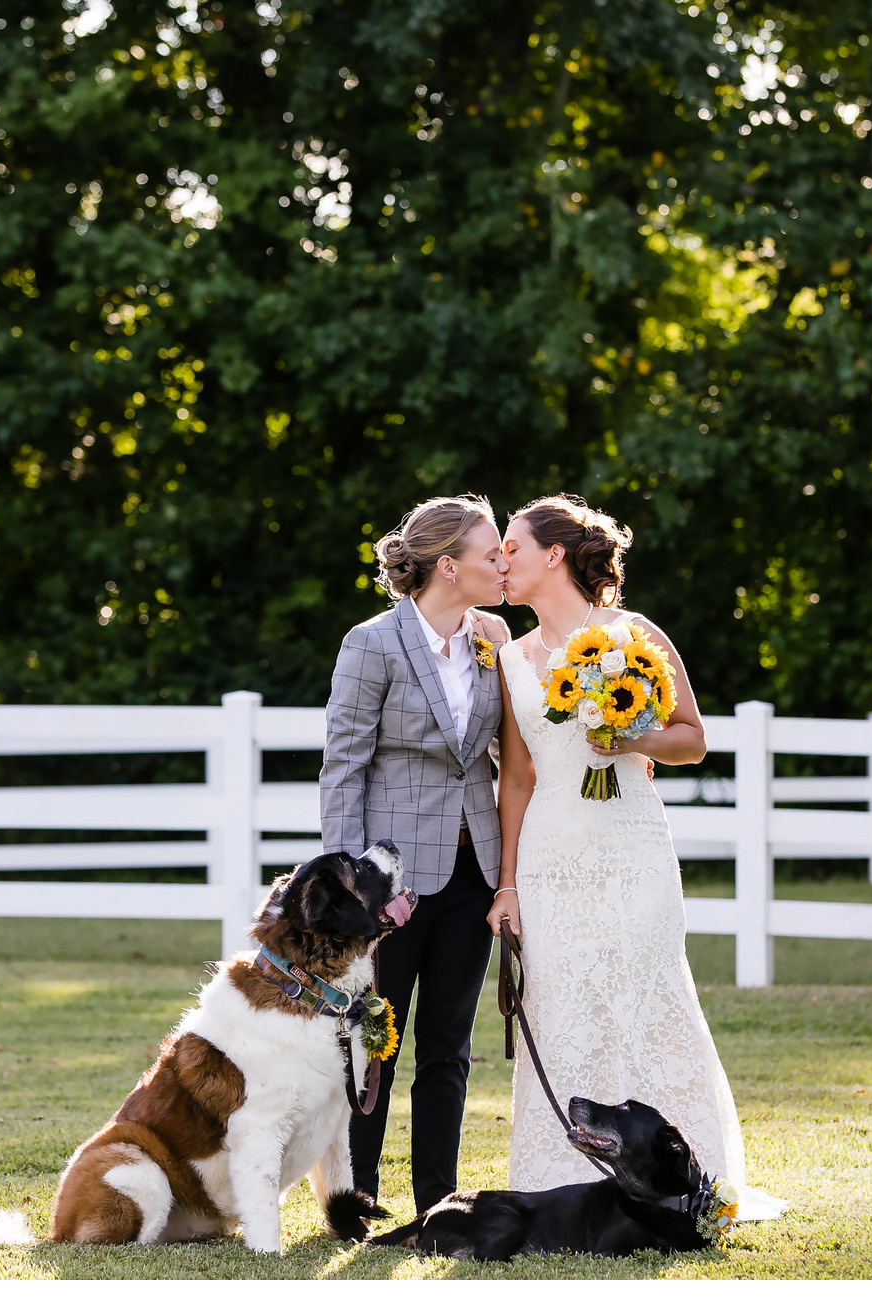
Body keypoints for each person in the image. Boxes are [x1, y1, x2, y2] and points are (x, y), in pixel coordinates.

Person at [487, 493, 787, 1219]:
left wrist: (632, 741)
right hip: (552, 853)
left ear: (554, 555)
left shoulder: (632, 634)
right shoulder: (511, 659)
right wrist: (508, 887)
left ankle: (686, 1174)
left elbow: (692, 737)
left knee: (646, 995)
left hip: (632, 845)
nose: (501, 561)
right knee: (561, 1003)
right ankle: (561, 1175)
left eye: (512, 549)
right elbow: (518, 778)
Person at [319, 493, 513, 1215]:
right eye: (491, 553)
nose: (503, 564)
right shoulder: (370, 643)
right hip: (389, 883)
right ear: (446, 566)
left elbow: (498, 754)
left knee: (448, 1045)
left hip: (473, 872)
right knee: (375, 1041)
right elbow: (343, 763)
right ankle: (356, 1193)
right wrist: (349, 886)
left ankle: (437, 1198)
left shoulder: (493, 635)